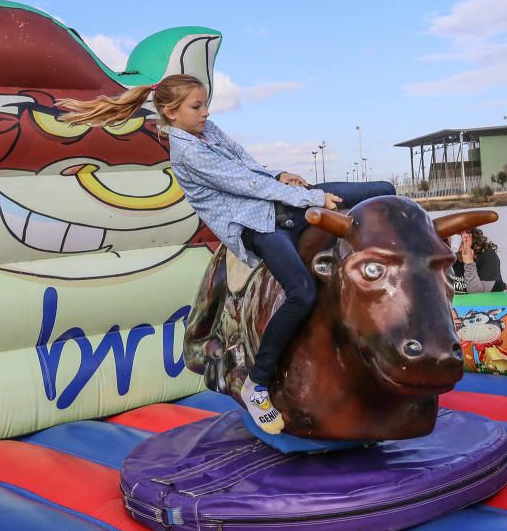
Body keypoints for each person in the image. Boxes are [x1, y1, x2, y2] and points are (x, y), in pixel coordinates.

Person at [57, 74, 396, 434]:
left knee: (384, 190)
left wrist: (281, 174)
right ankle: (258, 383)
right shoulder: (188, 152)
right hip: (256, 226)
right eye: (196, 106)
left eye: (205, 104)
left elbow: (247, 166)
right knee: (302, 292)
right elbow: (244, 185)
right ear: (171, 113)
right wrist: (312, 199)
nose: (205, 112)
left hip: (281, 204)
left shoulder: (209, 131)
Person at [450, 228, 505, 294]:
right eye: (457, 233)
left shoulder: (487, 255)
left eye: (468, 231)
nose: (464, 236)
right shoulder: (442, 256)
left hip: (491, 302)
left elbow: (477, 299)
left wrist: (469, 263)